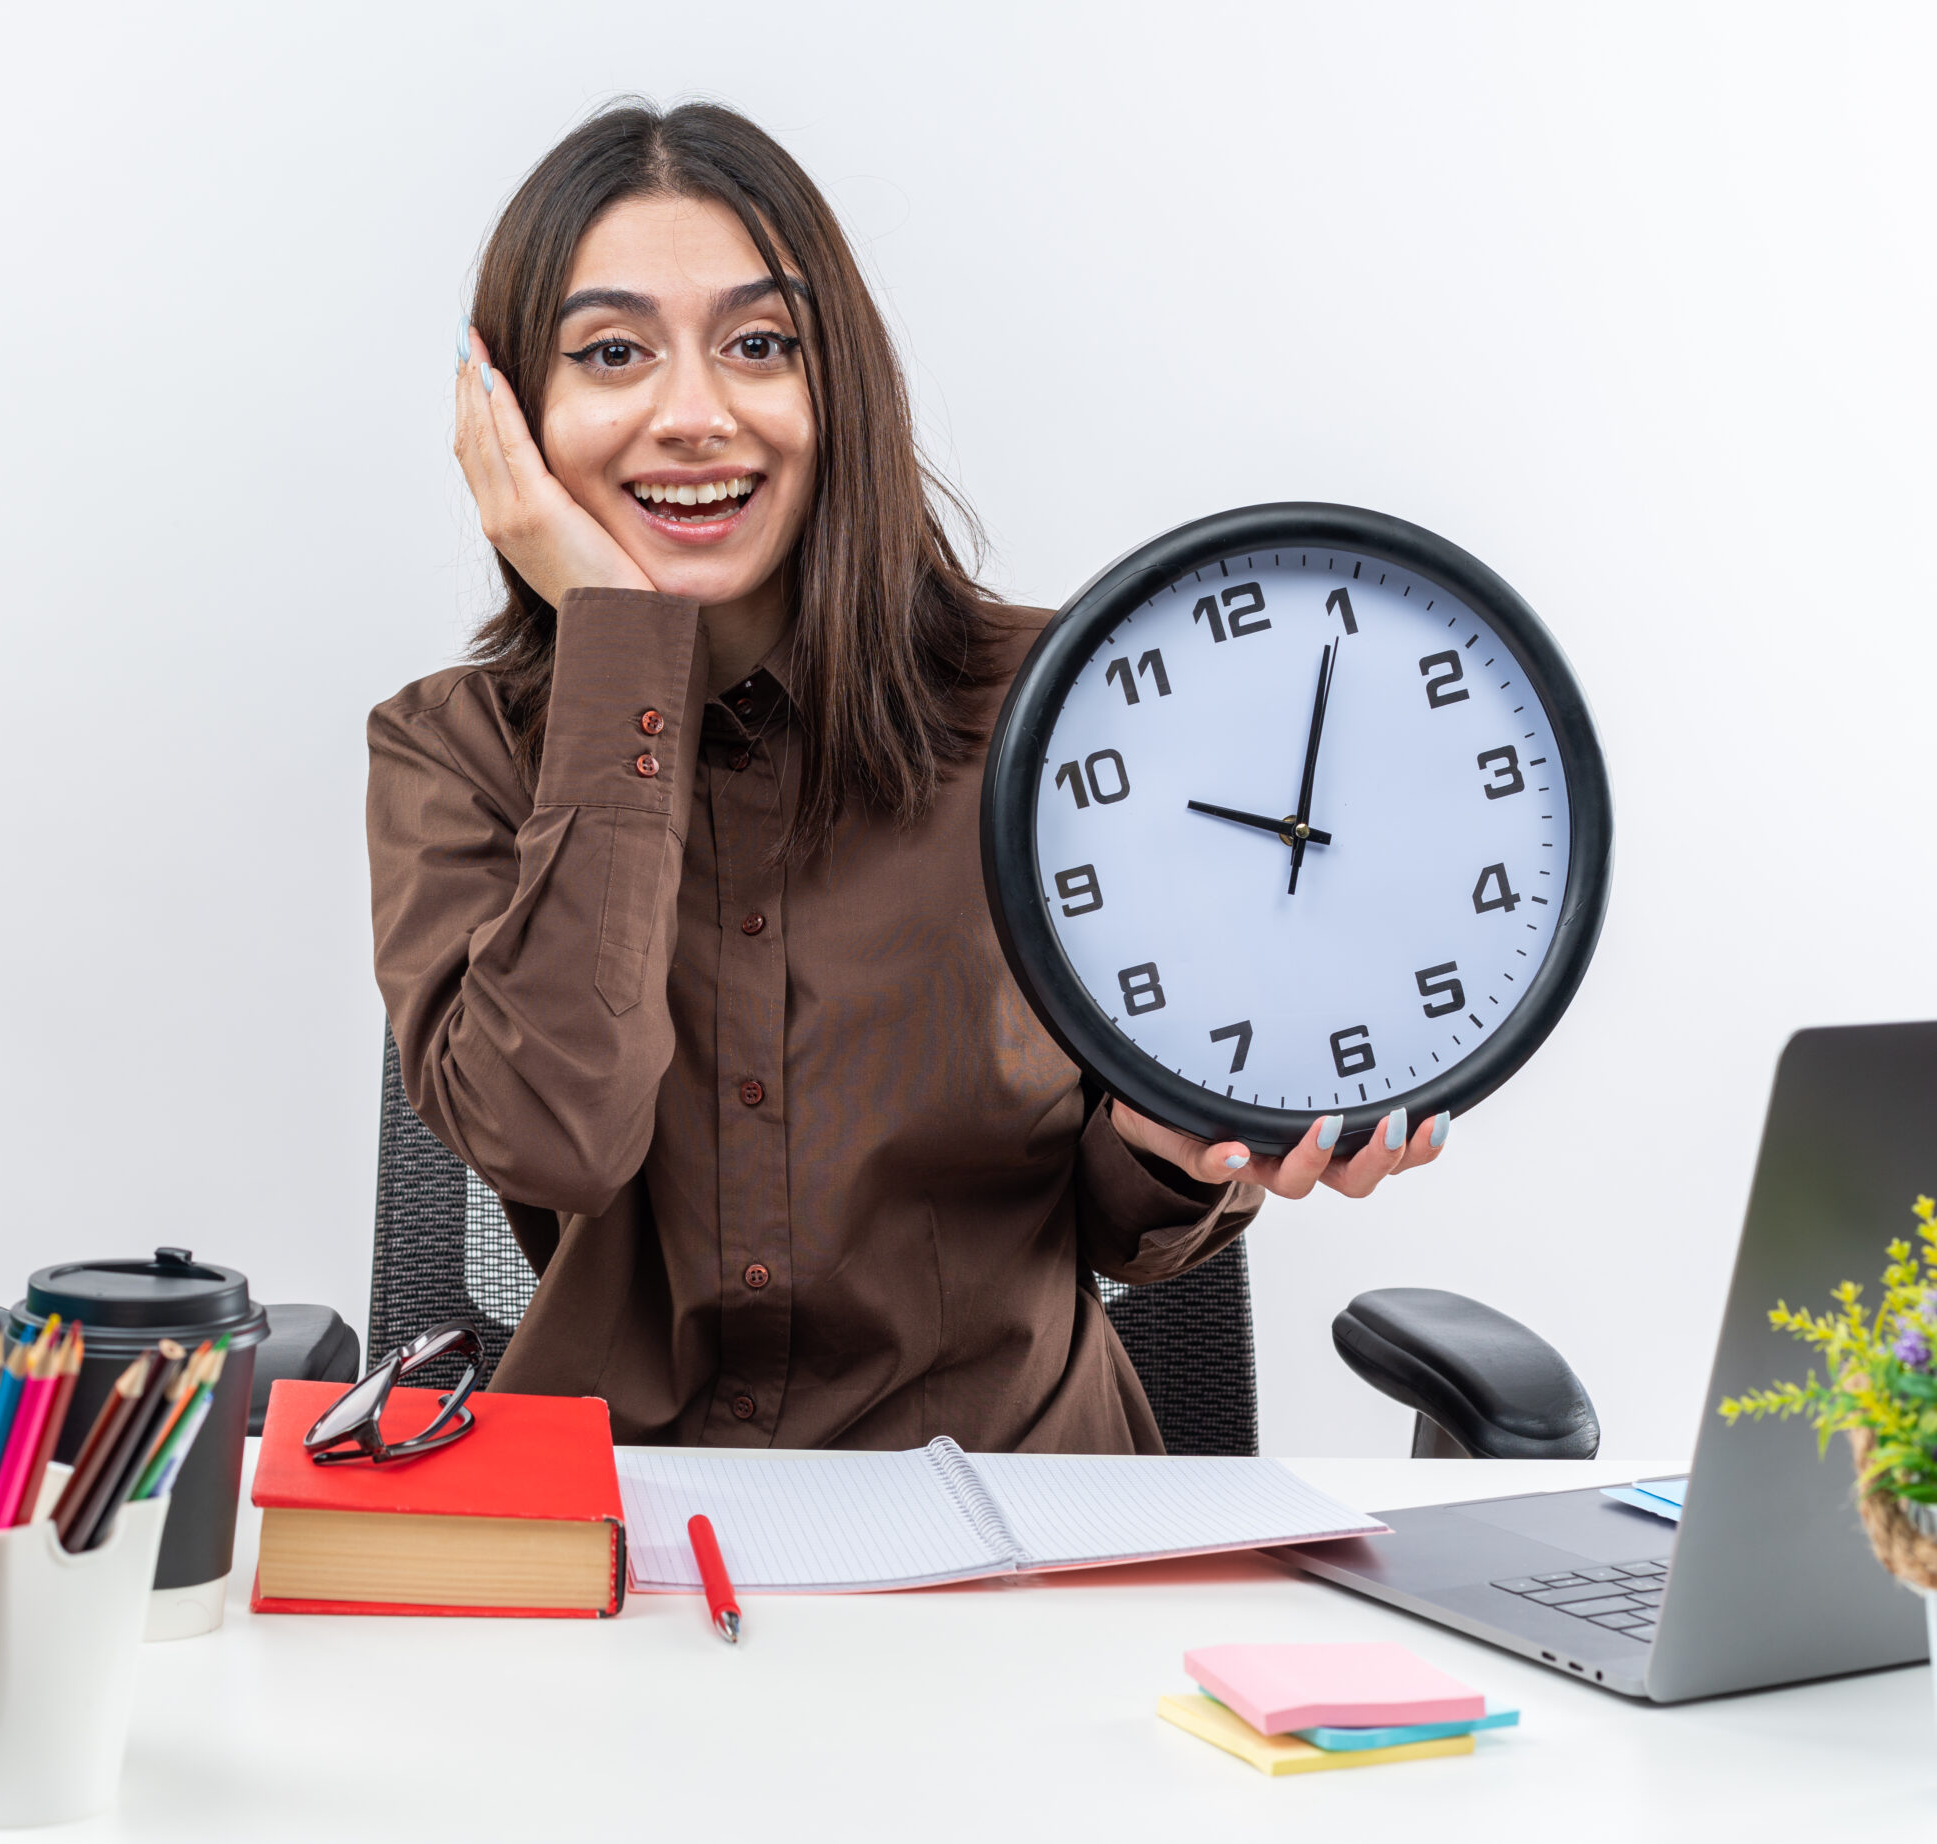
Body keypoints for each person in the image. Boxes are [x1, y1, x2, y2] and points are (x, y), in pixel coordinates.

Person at [366, 100, 1444, 1452]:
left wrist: (1186, 1144)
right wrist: (623, 652)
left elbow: (1129, 1225)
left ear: (843, 392)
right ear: (511, 418)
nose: (693, 413)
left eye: (760, 345)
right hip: (611, 1530)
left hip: (1020, 1522)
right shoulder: (451, 751)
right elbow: (556, 1137)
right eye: (613, 352)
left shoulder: (1064, 710)